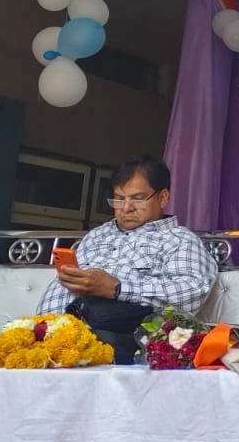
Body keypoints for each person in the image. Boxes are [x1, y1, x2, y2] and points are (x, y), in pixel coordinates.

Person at [36, 155, 217, 364]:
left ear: (163, 197)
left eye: (137, 199)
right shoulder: (97, 235)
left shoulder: (179, 239)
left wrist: (118, 288)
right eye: (119, 199)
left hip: (104, 345)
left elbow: (192, 291)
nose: (126, 208)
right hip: (46, 335)